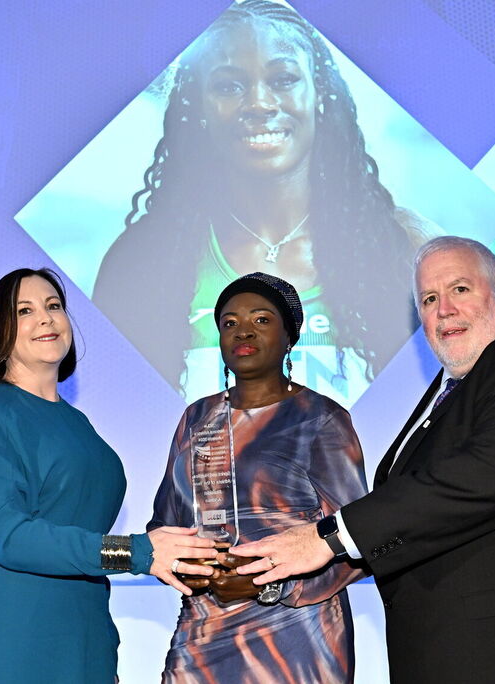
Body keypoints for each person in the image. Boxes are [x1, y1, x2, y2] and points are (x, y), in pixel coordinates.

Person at [232, 237, 495, 683]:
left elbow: (481, 476)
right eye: (429, 299)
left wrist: (329, 537)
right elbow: (421, 518)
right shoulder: (451, 389)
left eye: (460, 290)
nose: (444, 309)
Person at [94, 0, 439, 405]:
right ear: (199, 107)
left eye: (283, 79)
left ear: (318, 95)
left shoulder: (403, 245)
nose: (259, 103)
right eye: (229, 86)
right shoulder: (140, 265)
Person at [0, 267, 216, 683]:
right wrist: (136, 552)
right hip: (11, 640)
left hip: (85, 636)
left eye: (54, 306)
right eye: (25, 310)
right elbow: (10, 536)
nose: (46, 318)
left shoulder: (78, 424)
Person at [148, 272, 368, 683]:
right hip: (205, 630)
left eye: (262, 320)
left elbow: (361, 540)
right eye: (229, 323)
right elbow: (165, 527)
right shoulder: (196, 418)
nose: (243, 331)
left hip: (297, 635)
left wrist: (268, 585)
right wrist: (198, 568)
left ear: (290, 337)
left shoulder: (322, 418)